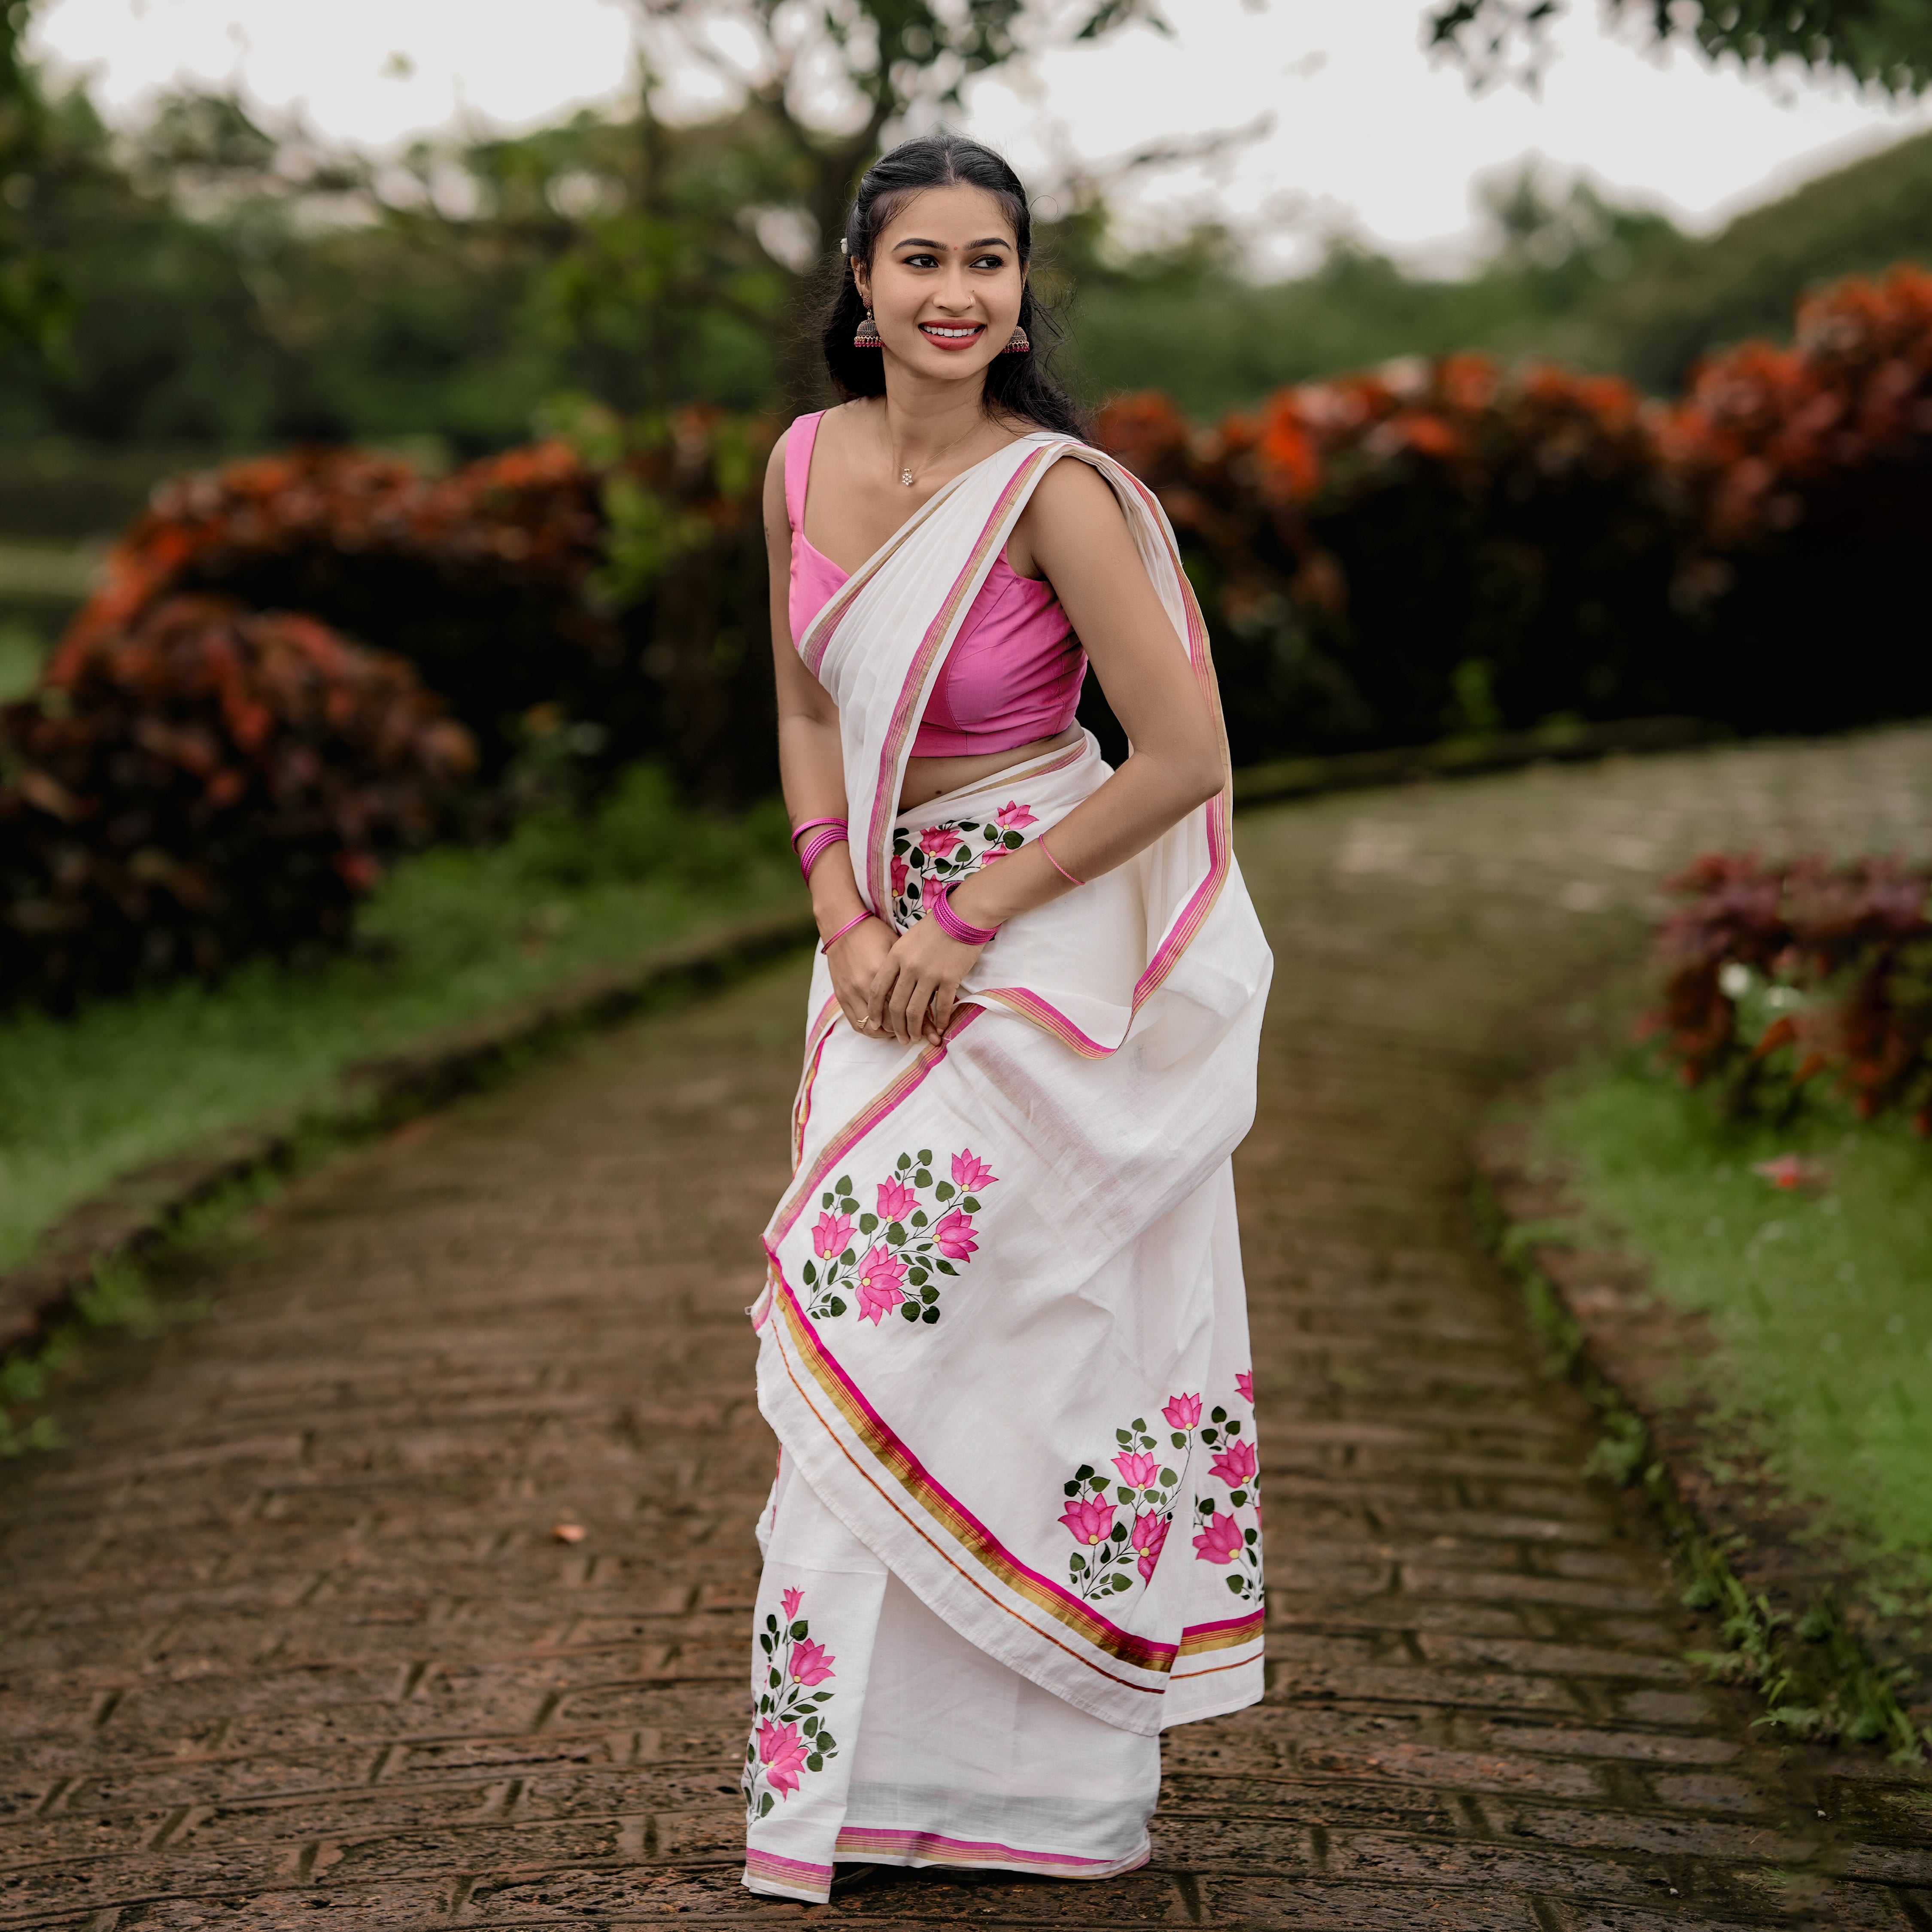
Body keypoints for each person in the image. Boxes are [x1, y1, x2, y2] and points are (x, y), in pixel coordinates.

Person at [741, 131, 1272, 1904]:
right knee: (865, 1336)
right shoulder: (799, 462)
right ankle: (863, 1787)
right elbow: (804, 713)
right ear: (862, 285)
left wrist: (969, 917)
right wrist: (846, 913)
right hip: (871, 940)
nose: (957, 292)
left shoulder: (1056, 494)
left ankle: (1041, 1790)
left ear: (1022, 292)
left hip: (1032, 931)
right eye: (924, 260)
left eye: (990, 260)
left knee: (1019, 1333)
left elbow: (1181, 754)